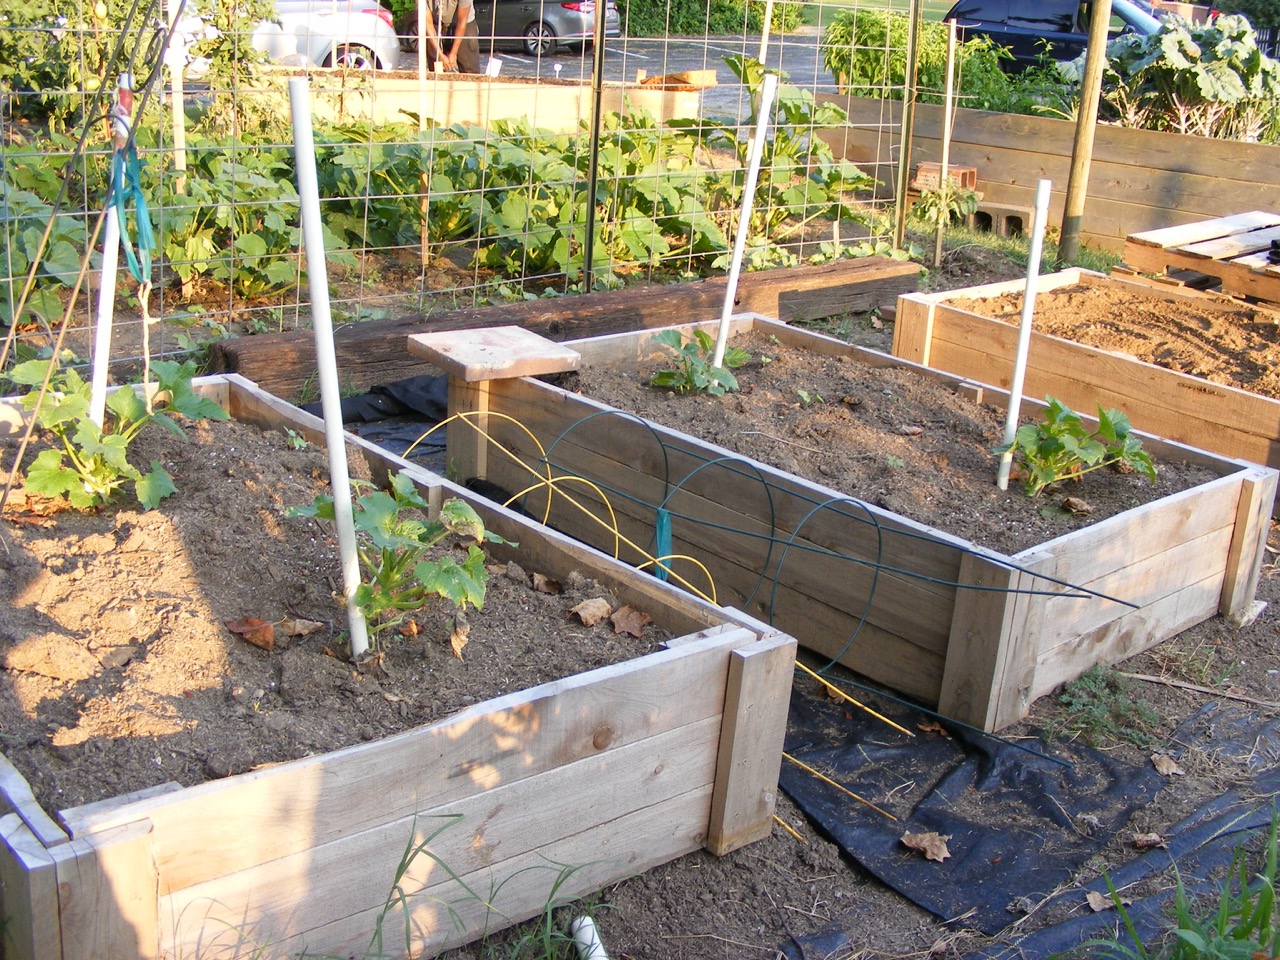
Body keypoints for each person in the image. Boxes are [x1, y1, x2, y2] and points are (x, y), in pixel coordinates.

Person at [423, 0, 480, 75]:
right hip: (436, 22)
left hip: (464, 23)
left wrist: (453, 54)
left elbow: (462, 22)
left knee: (469, 70)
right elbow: (428, 24)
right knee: (435, 66)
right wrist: (439, 54)